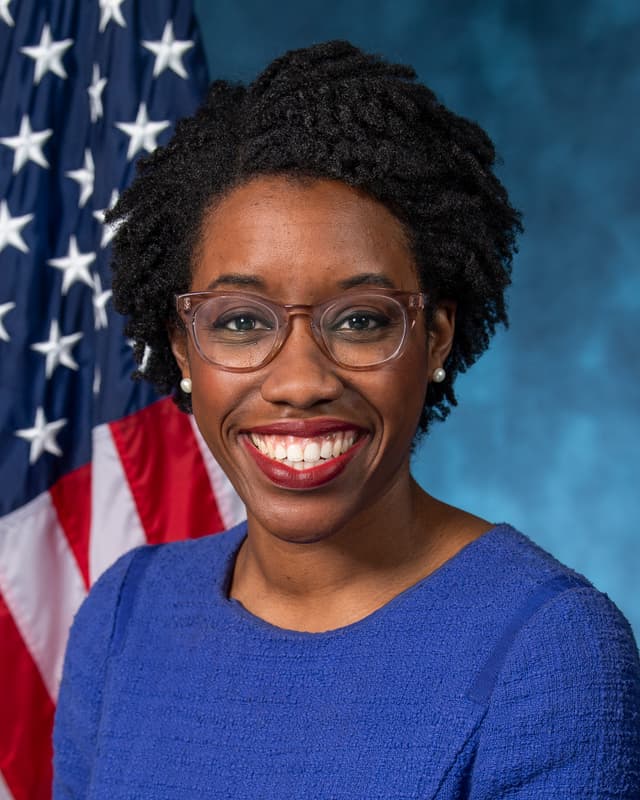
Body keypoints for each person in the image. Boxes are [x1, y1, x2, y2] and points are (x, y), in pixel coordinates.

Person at [53, 40, 640, 798]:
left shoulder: (550, 649)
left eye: (360, 319)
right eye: (239, 322)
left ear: (435, 337)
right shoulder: (125, 612)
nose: (300, 381)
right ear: (181, 348)